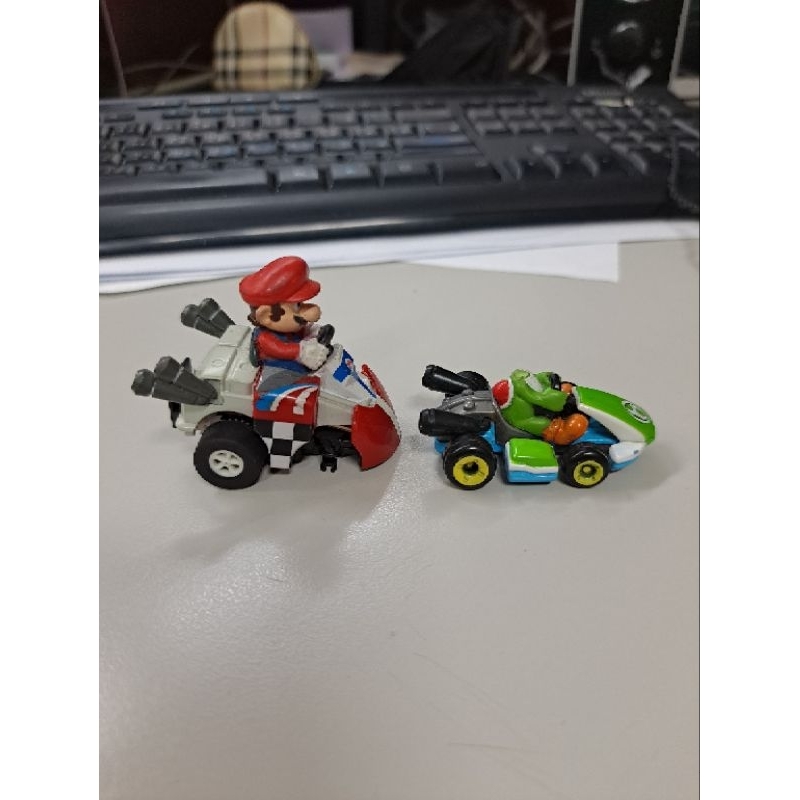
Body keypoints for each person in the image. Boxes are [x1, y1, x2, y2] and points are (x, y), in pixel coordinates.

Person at [238, 256, 330, 390]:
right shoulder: (264, 338)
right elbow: (282, 350)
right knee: (301, 389)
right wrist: (302, 351)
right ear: (267, 316)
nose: (310, 311)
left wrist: (310, 332)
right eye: (297, 307)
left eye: (300, 303)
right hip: (280, 371)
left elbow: (299, 334)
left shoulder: (290, 329)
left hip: (299, 365)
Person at [492, 369, 588, 445]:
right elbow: (544, 400)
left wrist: (548, 378)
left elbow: (538, 379)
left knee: (565, 387)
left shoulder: (521, 379)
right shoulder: (524, 391)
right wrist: (561, 398)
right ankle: (561, 434)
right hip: (525, 421)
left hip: (531, 411)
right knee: (545, 424)